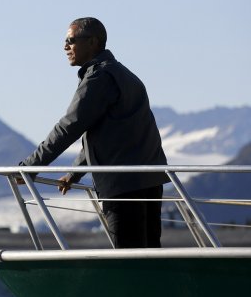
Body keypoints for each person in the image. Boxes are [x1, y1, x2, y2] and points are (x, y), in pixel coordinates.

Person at [19, 17, 169, 248]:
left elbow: (70, 126)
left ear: (92, 42)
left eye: (70, 40)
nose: (65, 47)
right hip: (147, 179)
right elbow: (110, 132)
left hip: (122, 185)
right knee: (149, 256)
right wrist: (76, 172)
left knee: (129, 259)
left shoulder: (99, 77)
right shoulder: (124, 74)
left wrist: (31, 166)